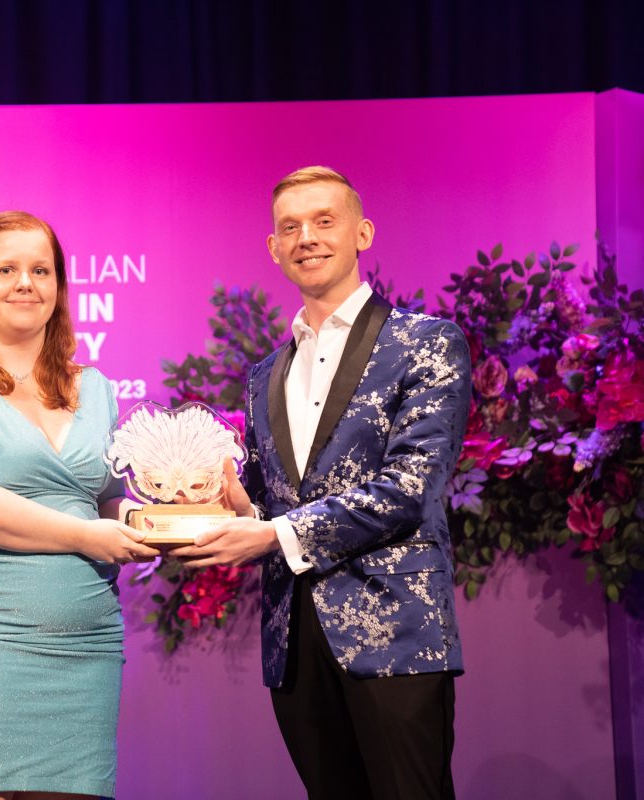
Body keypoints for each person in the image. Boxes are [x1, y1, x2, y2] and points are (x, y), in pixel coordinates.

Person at [170, 166, 471, 799]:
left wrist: (270, 535)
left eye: (324, 221)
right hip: (296, 641)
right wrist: (211, 501)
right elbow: (262, 496)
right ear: (274, 248)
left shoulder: (426, 343)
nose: (307, 237)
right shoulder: (263, 375)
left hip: (394, 631)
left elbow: (409, 488)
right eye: (290, 227)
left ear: (362, 233)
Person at [0, 210, 158, 800]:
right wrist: (88, 536)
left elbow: (106, 497)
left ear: (59, 289)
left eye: (41, 270)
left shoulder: (95, 388)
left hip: (86, 646)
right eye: (7, 269)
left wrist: (170, 518)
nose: (26, 283)